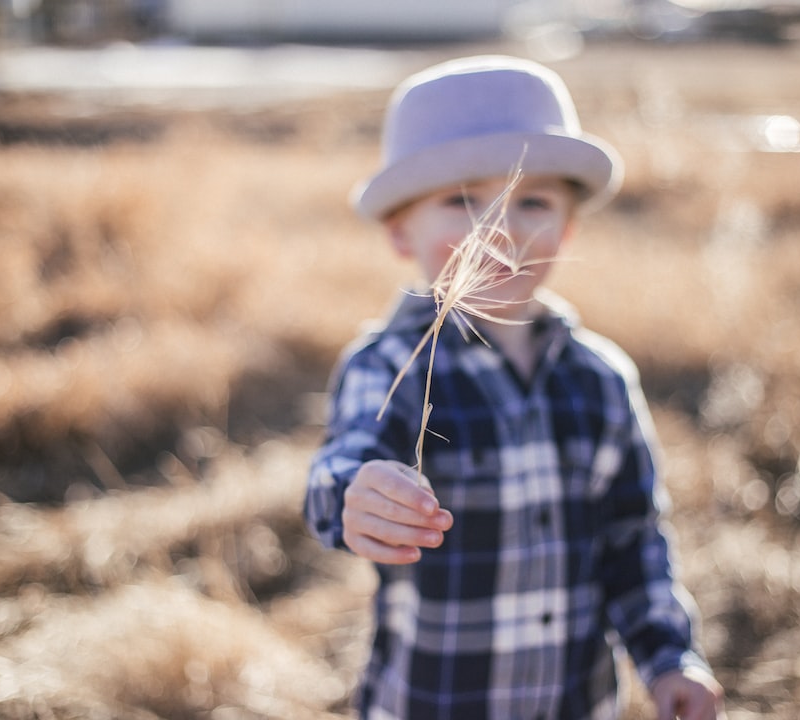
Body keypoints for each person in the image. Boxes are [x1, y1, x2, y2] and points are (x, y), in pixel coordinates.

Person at [305, 55, 726, 720]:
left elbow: (633, 537)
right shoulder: (388, 364)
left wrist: (669, 655)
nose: (498, 227)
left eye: (532, 200)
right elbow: (342, 462)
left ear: (568, 226)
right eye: (461, 200)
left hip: (574, 703)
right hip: (432, 702)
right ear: (398, 230)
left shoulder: (602, 379)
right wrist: (354, 495)